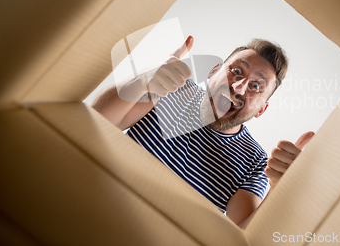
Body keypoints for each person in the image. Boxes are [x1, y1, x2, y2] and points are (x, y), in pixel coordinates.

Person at [92, 36, 314, 228]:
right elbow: (93, 122)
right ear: (213, 72)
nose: (238, 87)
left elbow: (242, 237)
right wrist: (144, 79)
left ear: (261, 110)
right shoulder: (173, 90)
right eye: (236, 71)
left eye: (256, 86)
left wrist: (281, 191)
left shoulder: (255, 162)